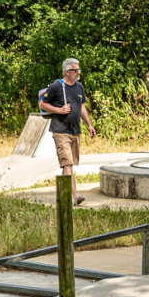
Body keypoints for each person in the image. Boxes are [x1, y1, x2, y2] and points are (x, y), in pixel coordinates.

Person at [38, 58, 97, 206]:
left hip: (75, 130)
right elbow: (42, 104)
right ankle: (76, 195)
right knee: (67, 163)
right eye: (75, 70)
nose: (78, 73)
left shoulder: (79, 87)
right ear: (67, 72)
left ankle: (65, 194)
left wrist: (89, 125)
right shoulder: (57, 86)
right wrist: (59, 110)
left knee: (69, 165)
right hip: (60, 130)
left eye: (79, 70)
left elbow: (82, 107)